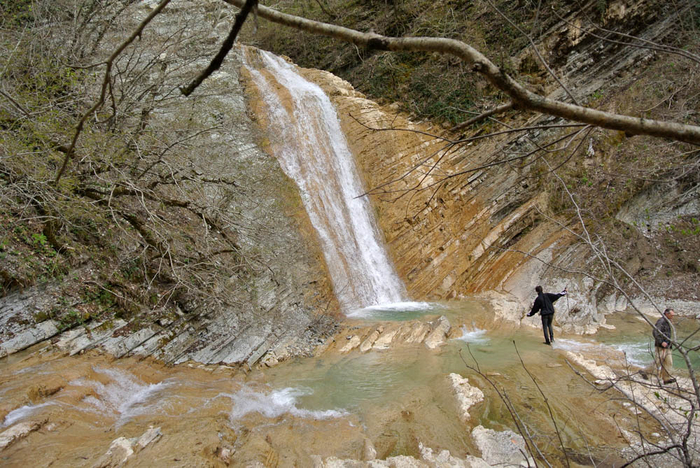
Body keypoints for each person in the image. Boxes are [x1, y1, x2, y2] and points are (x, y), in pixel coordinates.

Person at [649, 308, 676, 385]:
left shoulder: (667, 321)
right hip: (661, 346)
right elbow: (655, 332)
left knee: (669, 362)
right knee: (658, 362)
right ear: (667, 314)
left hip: (667, 346)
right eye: (672, 315)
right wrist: (661, 342)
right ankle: (646, 373)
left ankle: (666, 379)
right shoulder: (661, 321)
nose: (673, 316)